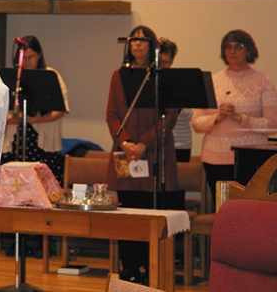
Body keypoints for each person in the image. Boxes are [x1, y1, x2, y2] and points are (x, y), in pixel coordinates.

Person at [106, 25, 180, 284]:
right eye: (133, 40)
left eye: (142, 40)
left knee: (151, 212)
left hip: (155, 153)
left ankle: (152, 268)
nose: (137, 44)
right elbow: (112, 114)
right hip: (126, 154)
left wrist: (144, 143)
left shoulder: (163, 76)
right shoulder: (119, 75)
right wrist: (126, 142)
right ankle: (130, 270)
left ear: (153, 45)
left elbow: (169, 116)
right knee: (128, 214)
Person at [191, 30, 277, 202]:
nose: (232, 51)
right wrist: (217, 117)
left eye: (238, 46)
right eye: (228, 47)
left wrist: (241, 118)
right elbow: (197, 123)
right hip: (215, 157)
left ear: (249, 50)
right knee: (222, 208)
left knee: (247, 209)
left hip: (251, 158)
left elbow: (273, 125)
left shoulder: (263, 81)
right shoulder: (212, 81)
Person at [3, 35, 69, 185]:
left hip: (42, 140)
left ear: (39, 55)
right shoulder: (14, 77)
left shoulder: (50, 75)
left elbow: (62, 109)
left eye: (31, 57)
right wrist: (9, 118)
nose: (27, 62)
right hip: (17, 138)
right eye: (24, 58)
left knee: (42, 185)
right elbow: (4, 106)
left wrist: (39, 119)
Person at [159, 38, 193, 162]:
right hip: (154, 142)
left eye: (167, 62)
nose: (163, 66)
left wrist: (177, 107)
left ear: (172, 61)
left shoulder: (180, 80)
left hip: (180, 143)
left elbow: (193, 114)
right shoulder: (146, 81)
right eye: (160, 62)